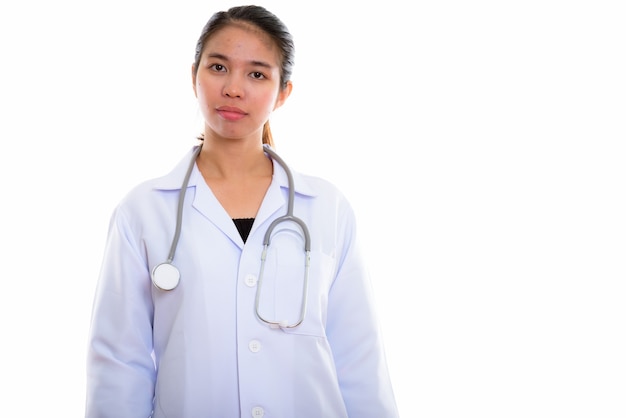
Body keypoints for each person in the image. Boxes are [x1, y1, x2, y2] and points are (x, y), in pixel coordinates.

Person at [85, 5, 398, 417]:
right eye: (218, 67)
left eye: (256, 73)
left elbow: (359, 355)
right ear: (193, 74)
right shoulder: (143, 211)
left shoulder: (326, 208)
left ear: (283, 92)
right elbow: (121, 364)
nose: (233, 88)